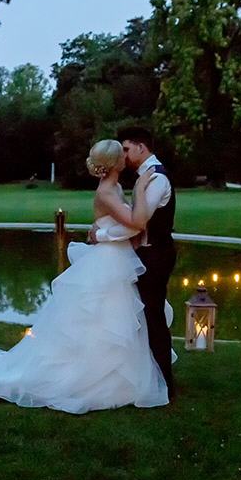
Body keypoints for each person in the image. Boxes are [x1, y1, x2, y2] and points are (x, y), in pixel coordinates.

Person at [0, 139, 169, 414]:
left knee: (116, 320)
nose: (125, 156)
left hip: (116, 259)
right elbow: (136, 222)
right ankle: (92, 378)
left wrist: (103, 231)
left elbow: (129, 224)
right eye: (120, 153)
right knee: (102, 320)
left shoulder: (117, 187)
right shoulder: (107, 193)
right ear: (113, 164)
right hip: (107, 262)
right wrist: (142, 189)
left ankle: (116, 377)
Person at [90, 126, 177, 400]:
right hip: (138, 256)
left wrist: (101, 234)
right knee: (137, 316)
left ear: (142, 147)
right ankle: (142, 376)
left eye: (127, 149)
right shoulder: (133, 181)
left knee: (152, 317)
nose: (124, 156)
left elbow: (138, 224)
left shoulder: (155, 179)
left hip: (155, 255)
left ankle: (163, 381)